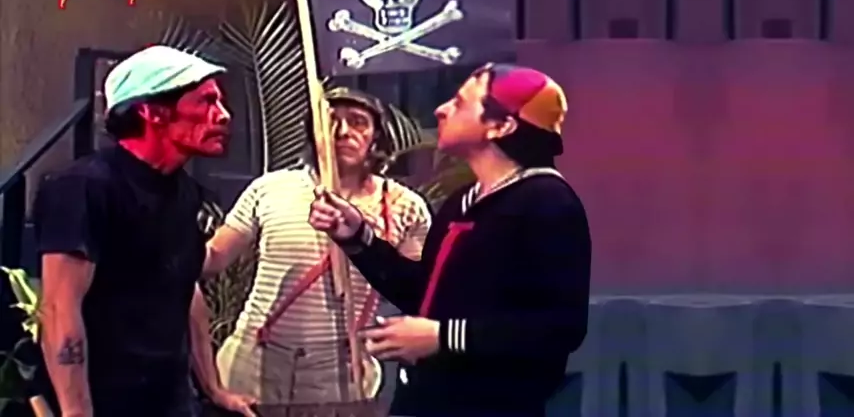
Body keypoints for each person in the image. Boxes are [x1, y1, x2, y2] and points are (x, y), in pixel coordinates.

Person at [308, 64, 592, 417]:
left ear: (501, 126)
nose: (441, 110)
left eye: (459, 103)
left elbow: (559, 328)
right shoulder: (462, 201)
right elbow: (424, 292)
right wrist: (358, 238)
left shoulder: (548, 202)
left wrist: (442, 337)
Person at [32, 45, 252, 417]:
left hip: (169, 401)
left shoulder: (184, 192)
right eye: (206, 102)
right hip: (103, 401)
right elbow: (59, 309)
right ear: (151, 111)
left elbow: (186, 288)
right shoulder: (83, 187)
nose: (223, 115)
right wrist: (76, 412)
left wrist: (214, 388)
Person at [193, 87, 432, 413]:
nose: (342, 132)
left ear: (376, 137)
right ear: (313, 133)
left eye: (358, 122)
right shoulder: (271, 189)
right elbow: (214, 258)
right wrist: (168, 244)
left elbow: (419, 290)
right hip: (254, 369)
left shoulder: (404, 205)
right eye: (330, 121)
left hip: (343, 377)